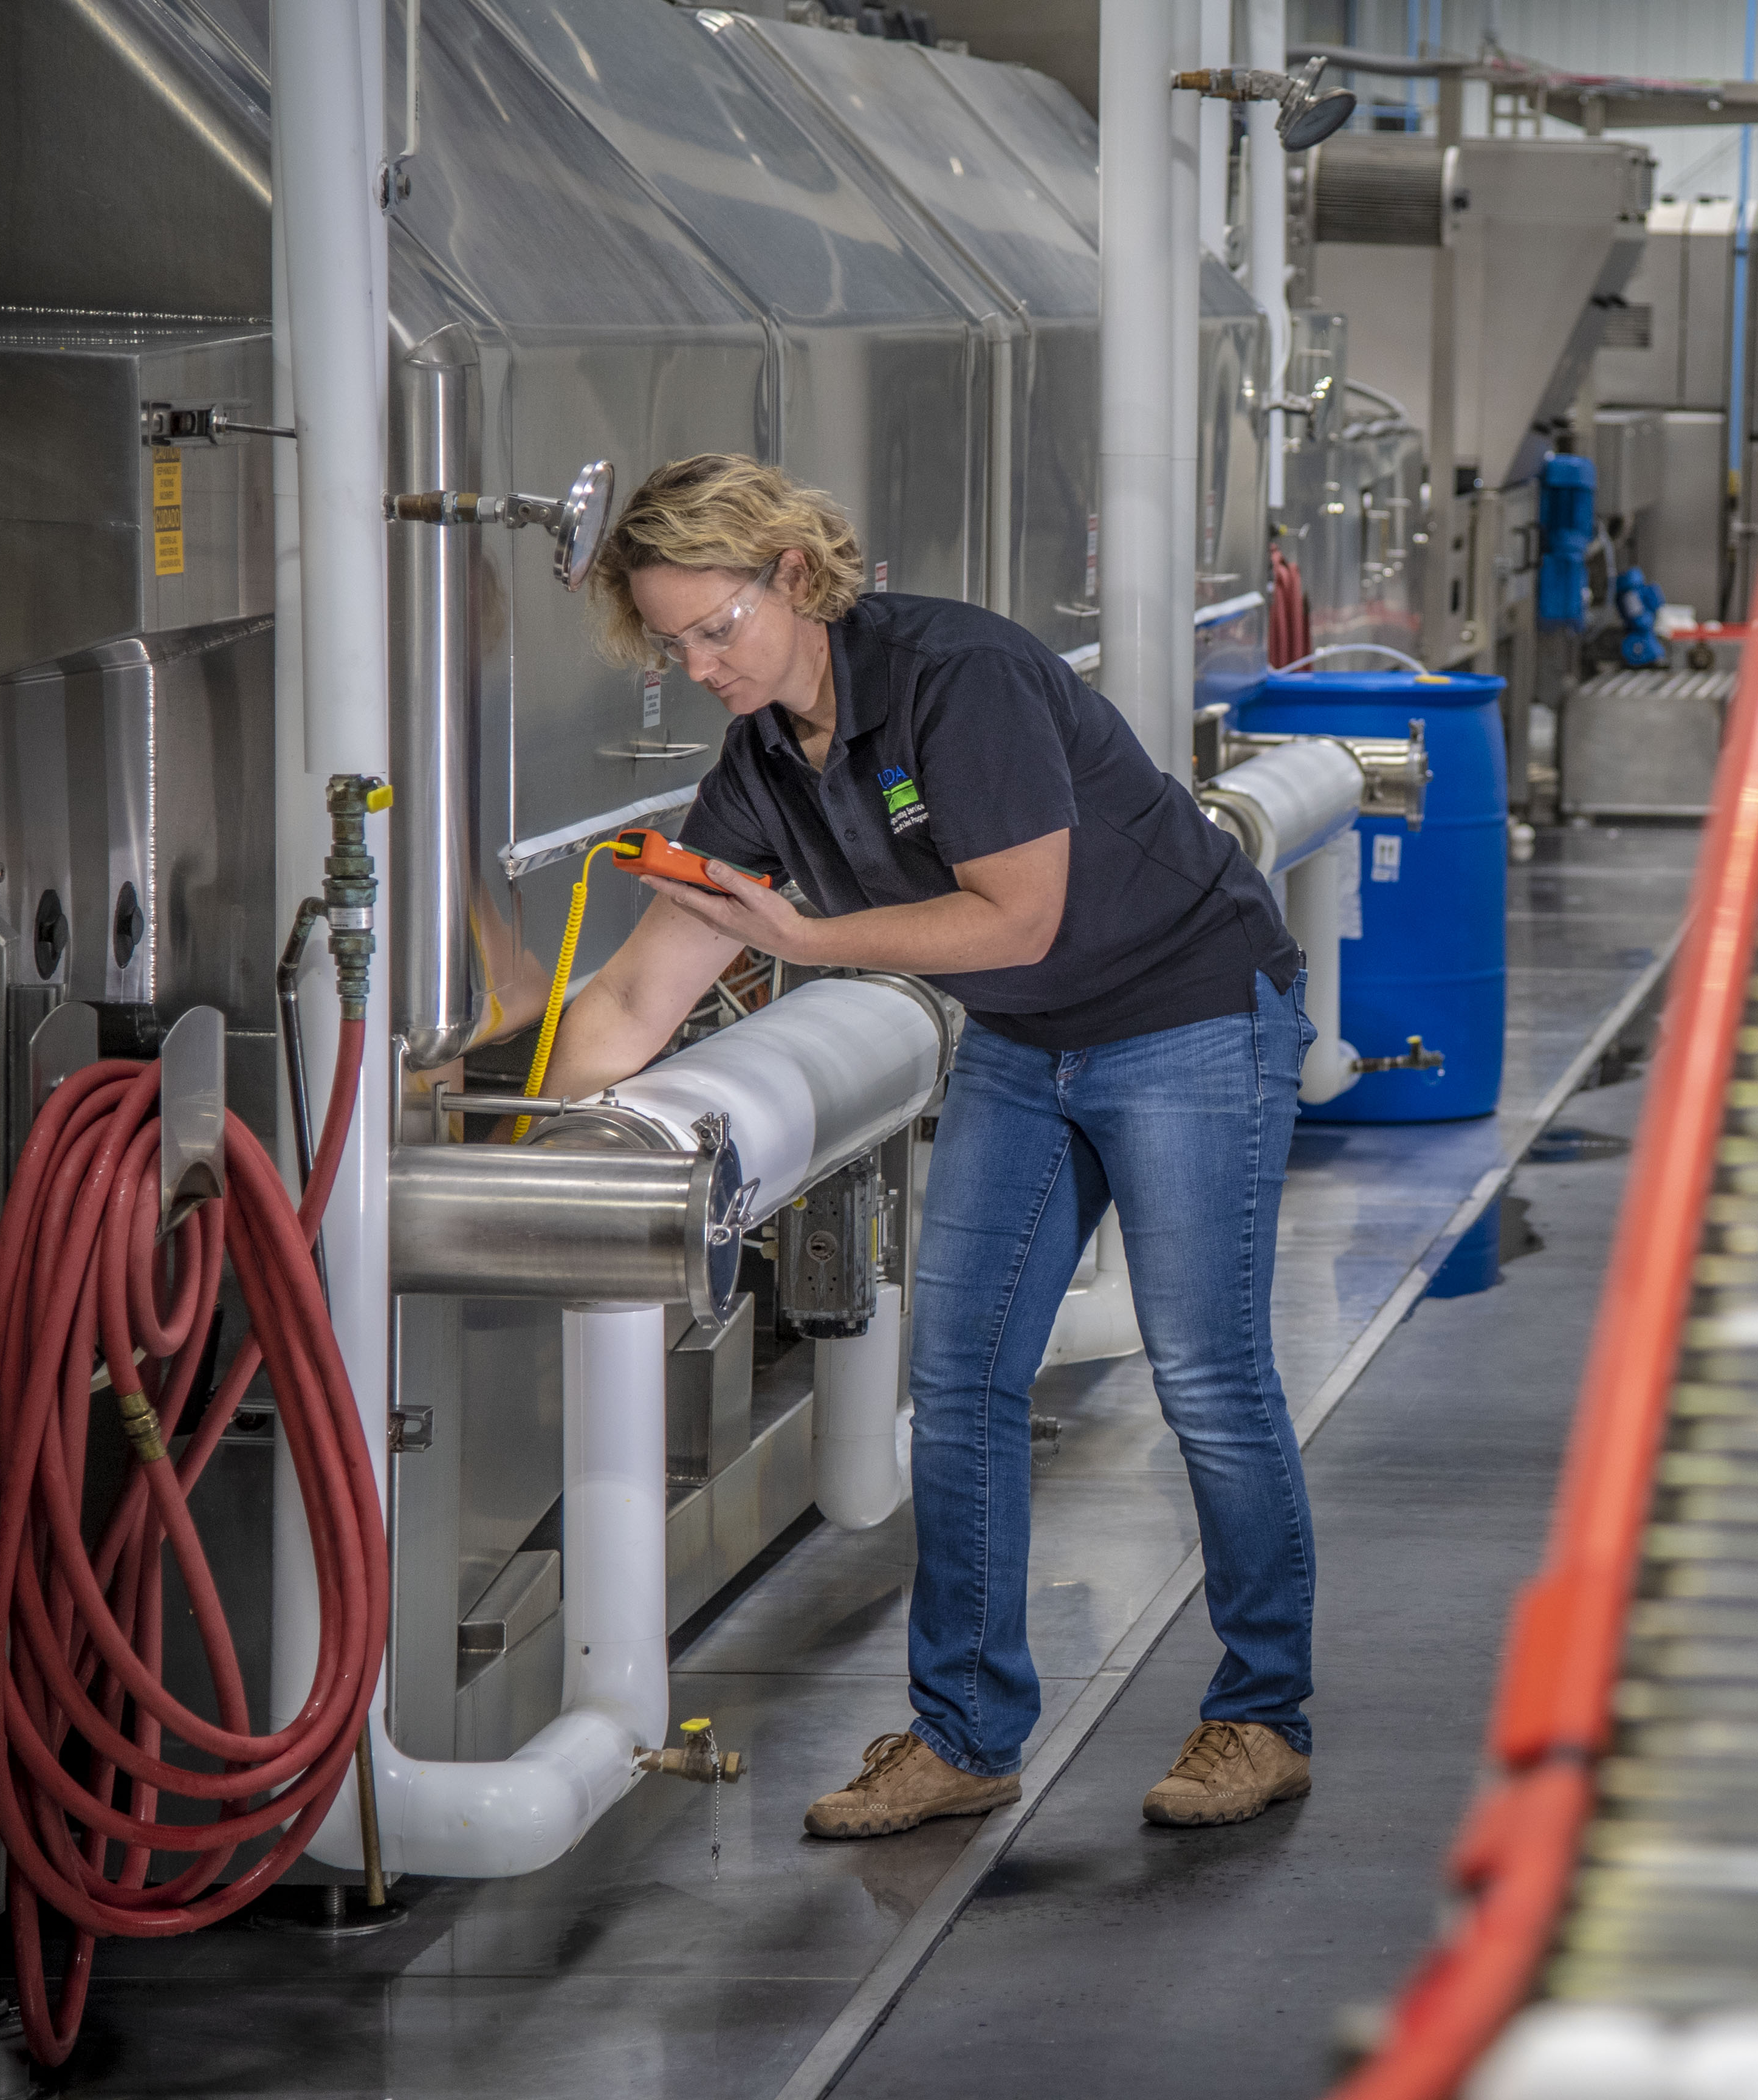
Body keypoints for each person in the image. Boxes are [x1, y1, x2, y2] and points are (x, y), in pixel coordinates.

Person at [548, 453, 1318, 1833]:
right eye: (671, 647)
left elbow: (1014, 916)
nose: (701, 667)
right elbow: (634, 994)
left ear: (795, 575)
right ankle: (965, 1734)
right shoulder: (763, 767)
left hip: (1187, 1012)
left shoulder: (958, 677)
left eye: (717, 630)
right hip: (1031, 1043)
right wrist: (541, 1144)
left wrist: (804, 940)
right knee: (959, 1379)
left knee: (1205, 1370)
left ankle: (1260, 1714)